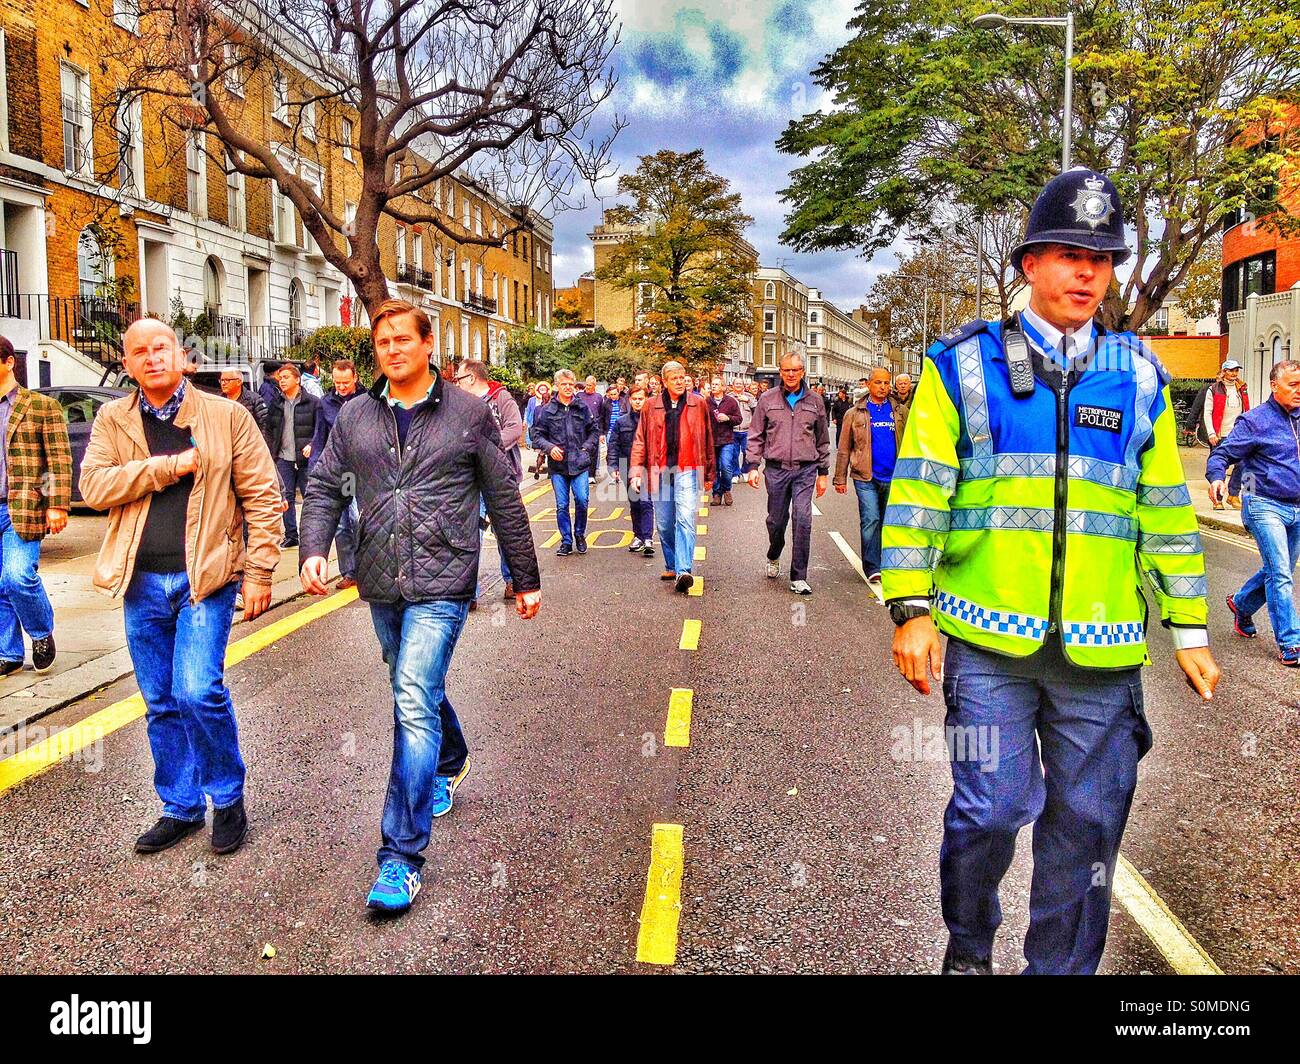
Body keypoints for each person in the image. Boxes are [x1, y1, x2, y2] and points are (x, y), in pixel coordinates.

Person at [883, 168, 1219, 976]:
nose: (1085, 273)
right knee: (989, 814)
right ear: (1029, 263)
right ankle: (968, 955)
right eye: (1068, 254)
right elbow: (921, 486)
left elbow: (1164, 509)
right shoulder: (965, 366)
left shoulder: (1137, 377)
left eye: (1100, 259)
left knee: (1089, 827)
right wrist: (911, 606)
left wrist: (1191, 627)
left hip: (1101, 654)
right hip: (986, 640)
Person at [299, 299, 541, 914]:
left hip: (444, 576)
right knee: (414, 688)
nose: (393, 349)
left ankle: (400, 857)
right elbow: (326, 483)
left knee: (410, 694)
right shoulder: (355, 415)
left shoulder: (468, 413)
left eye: (404, 339)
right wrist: (313, 548)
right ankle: (452, 757)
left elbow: (503, 495)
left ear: (428, 344)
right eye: (382, 342)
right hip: (379, 576)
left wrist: (524, 576)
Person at [80, 318, 282, 856]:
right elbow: (95, 486)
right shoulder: (113, 419)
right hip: (140, 582)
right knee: (161, 701)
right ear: (126, 364)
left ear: (182, 356)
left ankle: (226, 796)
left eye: (161, 347)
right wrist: (168, 467)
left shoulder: (227, 416)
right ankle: (180, 805)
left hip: (206, 578)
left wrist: (260, 571)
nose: (151, 358)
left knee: (197, 689)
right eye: (139, 352)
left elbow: (263, 495)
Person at [1208, 360, 1300, 665]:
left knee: (1277, 569)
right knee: (1281, 573)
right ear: (1274, 386)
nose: (1299, 391)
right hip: (1263, 504)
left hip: (1296, 507)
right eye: (1293, 385)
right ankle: (1291, 642)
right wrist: (1217, 477)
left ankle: (1241, 603)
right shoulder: (1255, 421)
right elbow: (1223, 452)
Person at [0, 336, 71, 677]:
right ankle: (8, 652)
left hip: (23, 507)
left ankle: (41, 632)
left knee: (17, 576)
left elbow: (57, 460)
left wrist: (56, 504)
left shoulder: (41, 406)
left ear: (9, 362)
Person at [744, 350, 830, 595]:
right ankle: (774, 553)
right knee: (776, 521)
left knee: (803, 519)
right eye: (786, 370)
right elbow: (756, 434)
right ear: (780, 372)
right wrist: (752, 466)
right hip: (776, 470)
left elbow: (822, 439)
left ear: (803, 372)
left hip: (805, 470)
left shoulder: (815, 401)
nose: (791, 374)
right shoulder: (768, 400)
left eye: (795, 370)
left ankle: (799, 576)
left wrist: (823, 472)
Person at [630, 361, 714, 593]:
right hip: (660, 471)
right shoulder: (650, 406)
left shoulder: (699, 403)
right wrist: (636, 472)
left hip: (689, 469)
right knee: (665, 524)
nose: (679, 381)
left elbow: (708, 439)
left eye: (682, 377)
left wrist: (708, 472)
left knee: (685, 518)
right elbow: (640, 440)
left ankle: (683, 570)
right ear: (664, 382)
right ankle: (671, 563)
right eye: (674, 378)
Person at [455, 359, 524, 600]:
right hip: (471, 479)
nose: (456, 383)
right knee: (471, 533)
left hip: (501, 476)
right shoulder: (460, 405)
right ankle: (470, 593)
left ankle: (513, 580)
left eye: (459, 379)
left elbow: (515, 428)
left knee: (505, 530)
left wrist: (487, 451)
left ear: (471, 378)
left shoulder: (501, 398)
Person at [833, 367, 906, 587]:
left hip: (894, 475)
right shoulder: (854, 413)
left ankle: (887, 563)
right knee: (871, 519)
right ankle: (873, 567)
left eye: (886, 383)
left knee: (889, 522)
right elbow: (844, 448)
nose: (883, 387)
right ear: (869, 384)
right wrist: (840, 478)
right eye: (878, 383)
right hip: (865, 476)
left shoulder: (900, 411)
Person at [530, 369, 599, 556]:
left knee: (582, 500)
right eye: (564, 384)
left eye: (571, 384)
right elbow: (536, 435)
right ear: (556, 386)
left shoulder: (582, 407)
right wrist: (549, 447)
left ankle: (579, 534)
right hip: (558, 466)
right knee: (562, 505)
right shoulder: (547, 410)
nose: (568, 388)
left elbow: (594, 430)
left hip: (580, 463)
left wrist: (586, 448)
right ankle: (566, 541)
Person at [310, 359, 366, 589]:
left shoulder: (367, 400)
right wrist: (316, 469)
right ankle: (349, 572)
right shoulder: (325, 404)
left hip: (363, 471)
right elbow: (319, 438)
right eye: (337, 382)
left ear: (355, 378)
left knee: (359, 520)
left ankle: (366, 568)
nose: (341, 387)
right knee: (343, 524)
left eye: (345, 382)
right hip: (341, 473)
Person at [265, 363, 321, 548]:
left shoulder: (312, 402)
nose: (282, 381)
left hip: (305, 459)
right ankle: (291, 535)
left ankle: (311, 534)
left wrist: (313, 445)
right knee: (285, 497)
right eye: (280, 378)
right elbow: (270, 428)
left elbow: (321, 430)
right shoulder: (276, 403)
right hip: (283, 457)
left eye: (286, 377)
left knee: (310, 496)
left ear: (297, 379)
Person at [609, 385, 655, 555]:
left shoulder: (653, 420)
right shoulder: (621, 422)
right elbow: (613, 444)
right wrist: (613, 465)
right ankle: (638, 536)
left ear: (646, 399)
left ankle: (648, 537)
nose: (637, 401)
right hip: (627, 465)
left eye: (641, 398)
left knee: (645, 501)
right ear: (629, 400)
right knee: (635, 502)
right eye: (634, 398)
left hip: (648, 467)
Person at [1202, 360, 1250, 509]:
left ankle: (1233, 495)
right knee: (1219, 465)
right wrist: (1211, 432)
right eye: (1230, 370)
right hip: (1219, 433)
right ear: (1223, 372)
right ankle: (1217, 499)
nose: (1234, 373)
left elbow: (1246, 411)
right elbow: (1208, 412)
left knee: (1243, 463)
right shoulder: (1214, 389)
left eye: (1236, 370)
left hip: (1237, 433)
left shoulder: (1242, 388)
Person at [707, 376, 742, 506]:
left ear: (723, 387)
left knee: (726, 466)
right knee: (714, 468)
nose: (714, 386)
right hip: (711, 440)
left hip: (726, 439)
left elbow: (739, 419)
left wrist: (728, 418)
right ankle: (716, 493)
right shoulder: (706, 402)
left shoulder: (731, 401)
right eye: (712, 384)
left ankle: (726, 489)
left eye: (717, 384)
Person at [219, 370, 271, 448]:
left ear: (239, 382)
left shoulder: (254, 400)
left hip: (248, 448)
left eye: (227, 380)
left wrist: (257, 447)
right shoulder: (218, 401)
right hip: (225, 448)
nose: (223, 383)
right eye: (221, 380)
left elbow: (264, 426)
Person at [733, 382, 757, 477]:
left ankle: (745, 471)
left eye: (740, 384)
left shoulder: (749, 396)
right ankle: (735, 474)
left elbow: (758, 408)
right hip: (733, 430)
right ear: (733, 385)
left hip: (747, 430)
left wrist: (747, 400)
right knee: (734, 454)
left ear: (743, 386)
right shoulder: (729, 397)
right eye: (736, 383)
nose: (738, 385)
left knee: (746, 452)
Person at [604, 383, 623, 478]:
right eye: (611, 394)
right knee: (611, 452)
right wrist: (602, 433)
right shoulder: (606, 403)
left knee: (620, 451)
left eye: (614, 394)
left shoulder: (624, 402)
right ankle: (612, 472)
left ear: (618, 392)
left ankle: (620, 471)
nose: (613, 396)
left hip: (621, 431)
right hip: (610, 431)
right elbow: (602, 418)